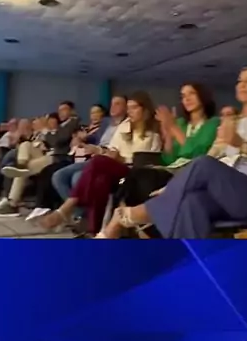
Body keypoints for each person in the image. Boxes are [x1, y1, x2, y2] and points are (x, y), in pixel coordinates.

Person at [98, 67, 247, 239]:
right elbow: (212, 157)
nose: (242, 84)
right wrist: (179, 186)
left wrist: (241, 144)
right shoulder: (232, 122)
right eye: (240, 81)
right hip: (223, 193)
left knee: (204, 164)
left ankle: (131, 215)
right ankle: (188, 266)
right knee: (191, 203)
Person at [33, 91, 161, 235]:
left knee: (97, 161)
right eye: (129, 108)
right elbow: (113, 147)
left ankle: (66, 209)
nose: (130, 111)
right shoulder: (125, 126)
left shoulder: (154, 131)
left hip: (133, 170)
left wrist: (120, 158)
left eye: (134, 107)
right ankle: (94, 230)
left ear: (145, 109)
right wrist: (108, 152)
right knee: (100, 180)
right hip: (112, 165)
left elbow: (147, 159)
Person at [118, 83, 219, 210]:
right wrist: (167, 132)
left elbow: (197, 154)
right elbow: (169, 159)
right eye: (183, 96)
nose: (187, 99)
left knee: (145, 177)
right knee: (136, 174)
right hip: (172, 169)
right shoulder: (181, 123)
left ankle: (137, 215)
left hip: (192, 172)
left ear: (202, 96)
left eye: (191, 94)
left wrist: (172, 127)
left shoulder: (213, 123)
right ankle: (128, 213)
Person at [0, 102, 80, 219]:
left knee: (24, 169)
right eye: (59, 110)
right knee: (25, 145)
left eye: (64, 109)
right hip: (47, 154)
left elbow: (58, 140)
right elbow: (51, 140)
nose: (61, 112)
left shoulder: (73, 122)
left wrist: (44, 130)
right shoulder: (61, 125)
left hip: (58, 158)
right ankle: (21, 164)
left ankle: (12, 202)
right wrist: (43, 140)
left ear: (72, 111)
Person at [52, 97, 127, 201]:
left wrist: (97, 149)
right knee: (58, 176)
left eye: (117, 104)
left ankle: (75, 209)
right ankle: (76, 209)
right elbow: (94, 138)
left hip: (108, 158)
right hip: (95, 156)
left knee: (77, 177)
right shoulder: (106, 123)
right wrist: (80, 140)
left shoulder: (126, 125)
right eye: (112, 104)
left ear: (126, 107)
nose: (113, 107)